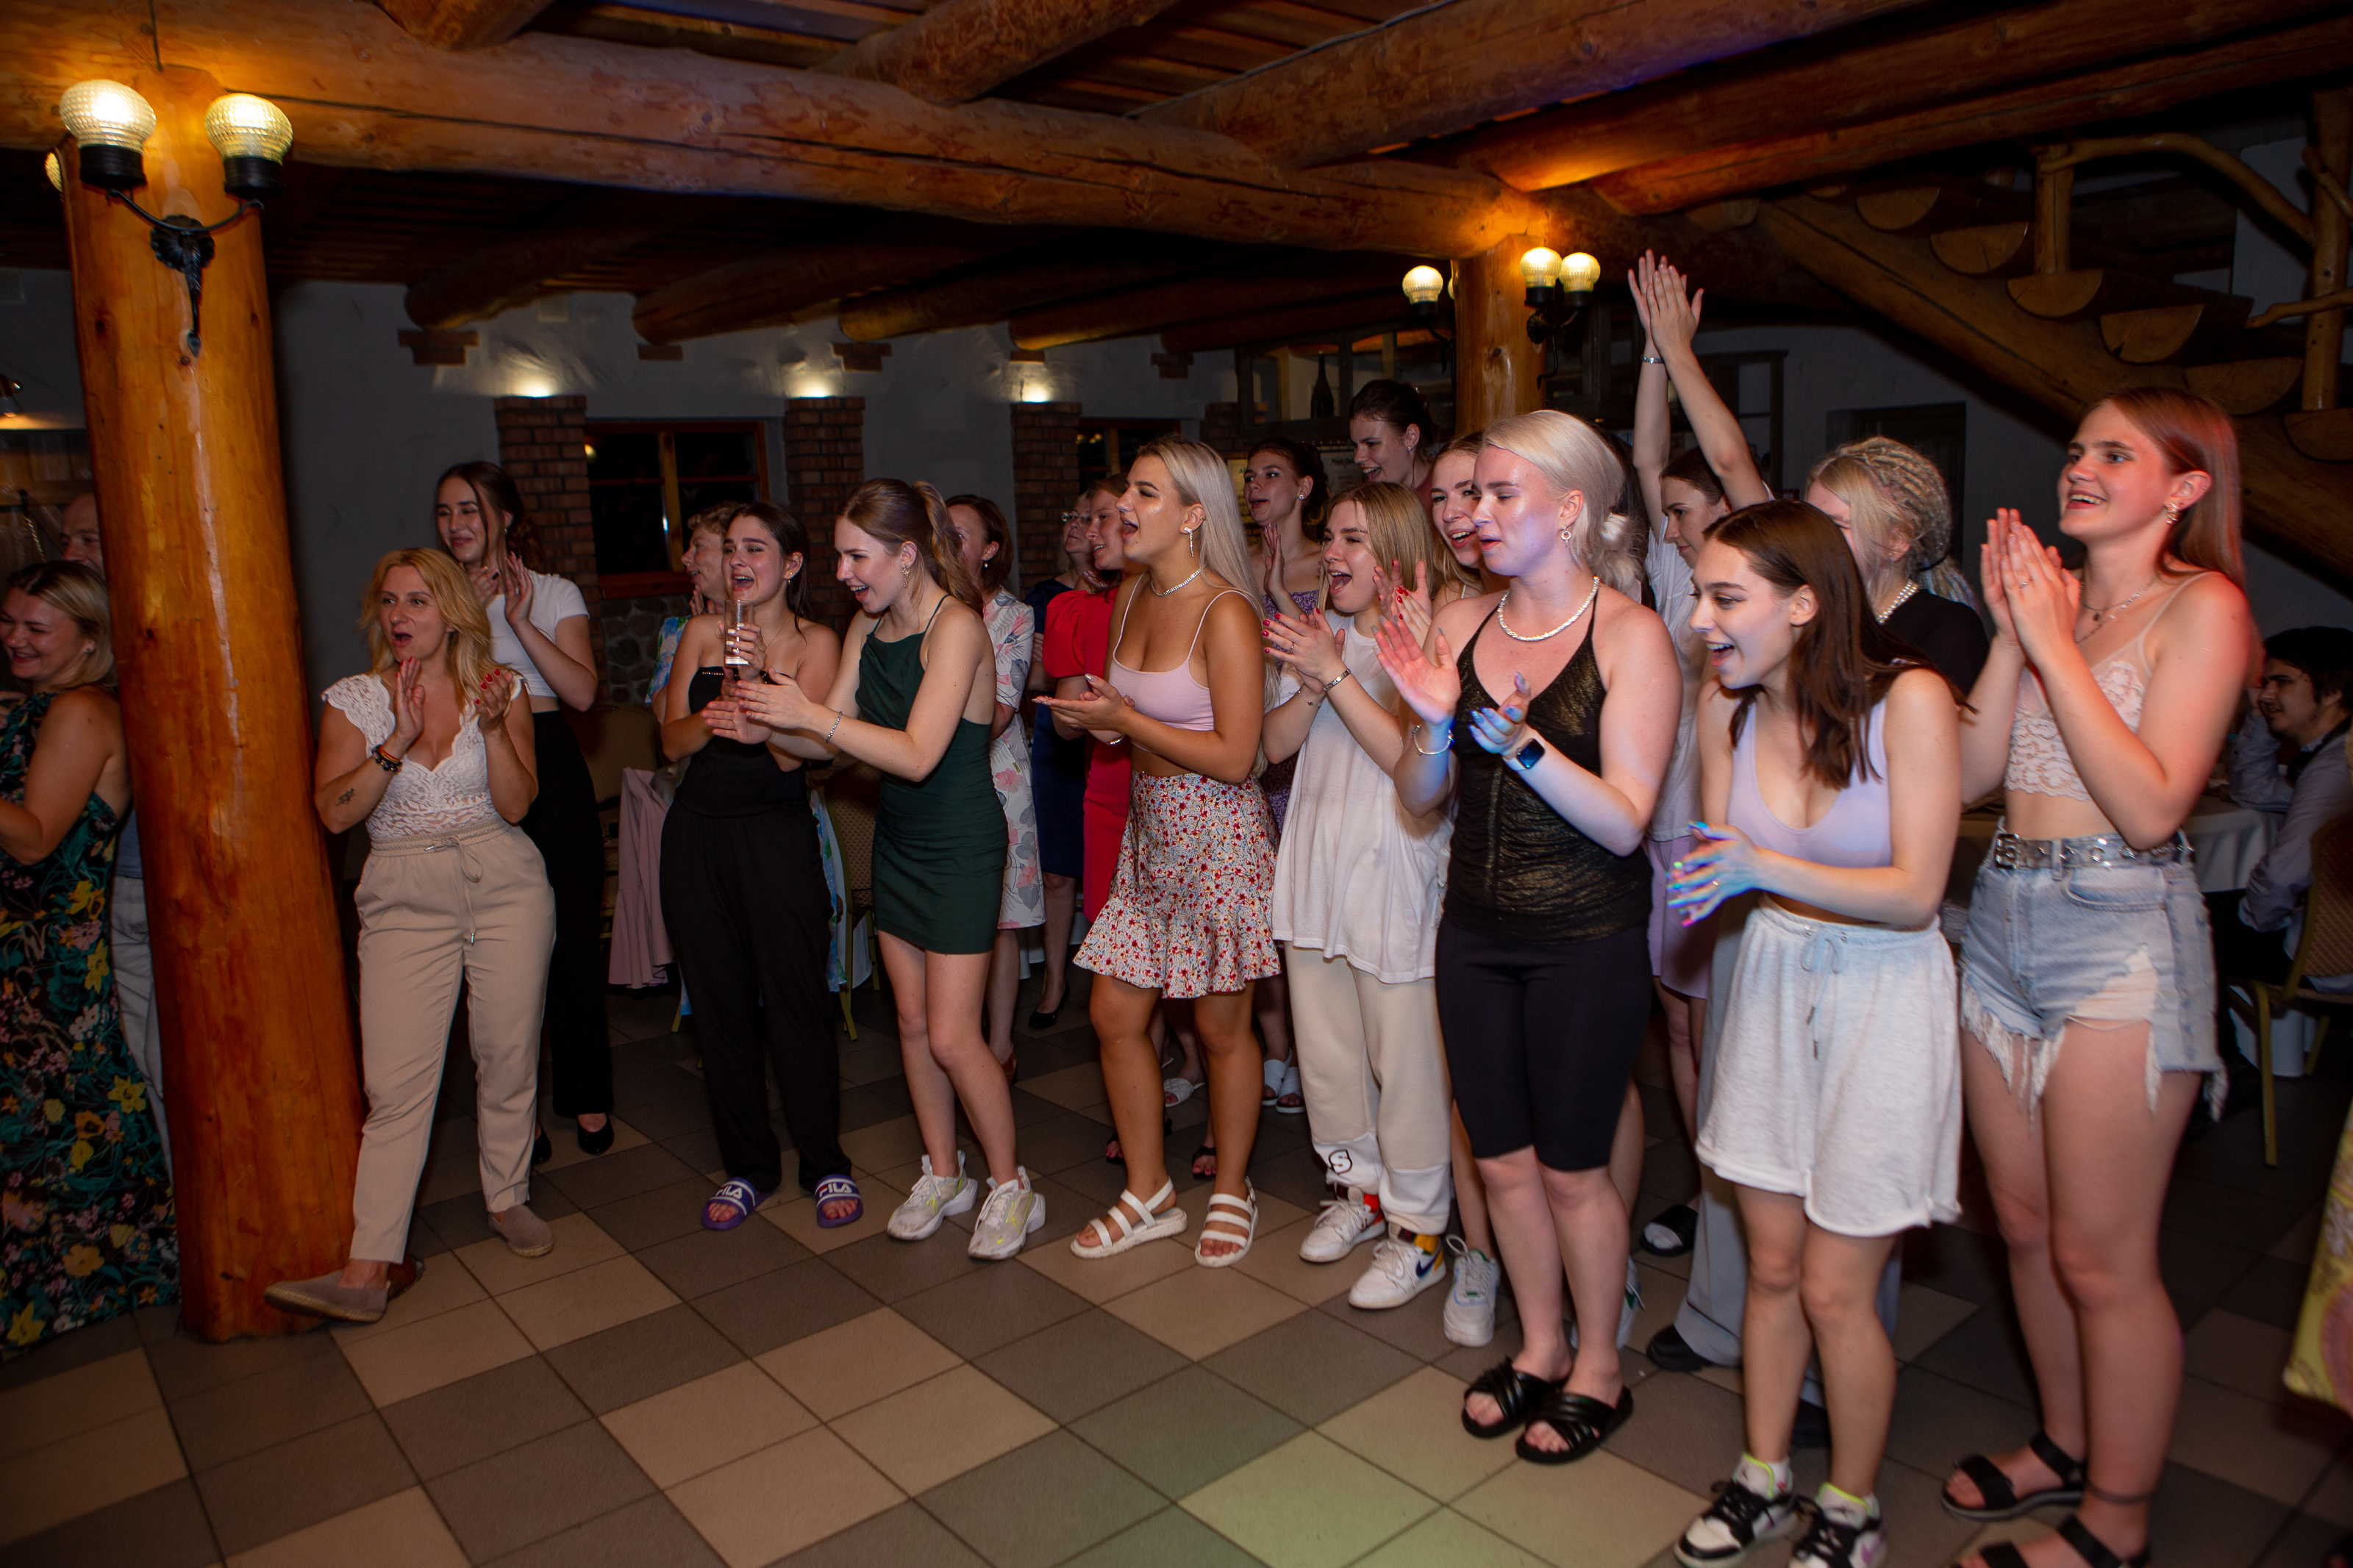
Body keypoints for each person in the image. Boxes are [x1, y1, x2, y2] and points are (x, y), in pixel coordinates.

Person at [1945, 389, 2254, 1568]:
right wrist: (2012, 634)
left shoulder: (2204, 606)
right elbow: (1970, 774)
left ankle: (2117, 1524)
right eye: (2078, 449)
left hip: (2120, 929)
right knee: (2023, 1226)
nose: (2080, 466)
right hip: (2004, 910)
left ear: (2185, 488)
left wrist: (2054, 643)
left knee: (2101, 1257)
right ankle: (2068, 1443)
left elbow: (2151, 803)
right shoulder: (2052, 604)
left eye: (2116, 454)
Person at [1663, 501, 1964, 1568]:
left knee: (1839, 1288)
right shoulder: (1724, 706)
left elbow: (1917, 892)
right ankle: (1761, 1476)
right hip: (1772, 976)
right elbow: (1716, 863)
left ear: (1802, 604)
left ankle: (1851, 1506)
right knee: (1773, 1268)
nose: (1699, 619)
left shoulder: (1911, 699)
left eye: (1724, 597)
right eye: (1699, 595)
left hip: (1885, 993)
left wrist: (1758, 867)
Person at [1376, 409, 1678, 1461]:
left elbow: (1626, 820)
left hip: (1585, 937)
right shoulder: (1459, 621)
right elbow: (1420, 794)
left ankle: (1600, 1365)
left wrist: (1522, 744)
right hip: (1475, 931)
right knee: (1501, 1164)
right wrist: (1430, 721)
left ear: (1572, 508)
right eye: (1476, 494)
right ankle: (1540, 1347)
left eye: (1505, 495)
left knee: (1571, 1171)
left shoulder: (1631, 635)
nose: (1480, 513)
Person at [735, 479, 1039, 1259]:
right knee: (909, 1022)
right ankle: (945, 1172)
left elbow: (916, 753)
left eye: (855, 556)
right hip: (901, 841)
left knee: (953, 1034)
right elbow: (823, 746)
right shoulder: (869, 626)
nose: (841, 573)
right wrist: (769, 713)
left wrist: (812, 716)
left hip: (962, 845)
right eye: (839, 557)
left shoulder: (958, 627)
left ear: (907, 555)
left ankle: (1012, 1186)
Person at [267, 549, 552, 1322]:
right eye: (389, 601)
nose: (399, 616)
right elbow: (334, 814)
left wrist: (492, 730)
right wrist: (395, 739)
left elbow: (518, 805)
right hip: (402, 891)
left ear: (453, 613)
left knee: (507, 1051)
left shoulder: (501, 689)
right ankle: (368, 1266)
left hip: (504, 879)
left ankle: (508, 1195)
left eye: (418, 601)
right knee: (394, 1084)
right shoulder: (355, 700)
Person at [1045, 437, 1277, 1267]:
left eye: (1145, 493)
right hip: (1150, 831)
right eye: (1126, 492)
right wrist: (1096, 719)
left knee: (1219, 1026)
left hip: (1218, 832)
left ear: (1192, 515)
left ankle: (1232, 1187)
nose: (1123, 507)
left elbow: (1238, 757)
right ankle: (1148, 1189)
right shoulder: (1133, 592)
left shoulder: (1226, 612)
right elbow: (1126, 714)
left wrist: (1126, 722)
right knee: (1114, 1014)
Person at [1263, 482, 1456, 1308]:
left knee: (1402, 1057)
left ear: (1396, 555)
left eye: (1353, 540)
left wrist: (1335, 671)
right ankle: (1356, 1190)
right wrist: (1312, 678)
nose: (1331, 555)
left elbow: (1414, 771)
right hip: (1317, 856)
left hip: (1391, 861)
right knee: (1330, 1051)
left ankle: (1420, 1229)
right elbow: (1272, 747)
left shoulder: (1427, 642)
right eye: (1331, 538)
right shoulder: (1320, 636)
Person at [1628, 251, 1773, 1267]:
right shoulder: (1674, 569)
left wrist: (1681, 352)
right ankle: (1703, 1187)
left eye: (1685, 512)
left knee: (1721, 1030)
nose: (1670, 525)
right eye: (1671, 516)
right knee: (1678, 1031)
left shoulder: (1753, 570)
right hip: (1663, 825)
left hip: (1720, 838)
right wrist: (1651, 351)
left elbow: (1724, 463)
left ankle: (1734, 1204)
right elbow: (1647, 462)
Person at [657, 504, 856, 1233]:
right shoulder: (699, 634)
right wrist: (718, 706)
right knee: (720, 1008)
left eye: (756, 549)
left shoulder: (816, 643)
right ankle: (748, 1166)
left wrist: (756, 681)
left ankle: (825, 1160)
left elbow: (800, 757)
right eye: (731, 549)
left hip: (775, 836)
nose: (739, 562)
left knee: (798, 1002)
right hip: (696, 836)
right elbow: (672, 742)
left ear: (792, 563)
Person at [1, 561, 176, 1350]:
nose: (16, 638)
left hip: (46, 956)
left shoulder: (80, 710)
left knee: (62, 1112)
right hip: (27, 946)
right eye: (9, 622)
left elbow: (36, 838)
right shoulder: (41, 705)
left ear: (89, 640)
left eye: (37, 628)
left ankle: (104, 1270)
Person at [434, 463, 611, 1156]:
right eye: (445, 511)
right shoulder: (434, 597)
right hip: (476, 761)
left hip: (551, 755)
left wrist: (516, 619)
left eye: (469, 509)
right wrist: (466, 616)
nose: (456, 524)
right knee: (499, 946)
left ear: (505, 517)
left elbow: (583, 693)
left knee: (571, 929)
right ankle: (518, 1115)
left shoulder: (554, 590)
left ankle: (588, 1094)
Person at [51, 498, 171, 1170]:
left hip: (165, 888)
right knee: (139, 1067)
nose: (73, 553)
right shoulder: (68, 663)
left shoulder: (158, 642)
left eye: (90, 538)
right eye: (67, 538)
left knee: (172, 1066)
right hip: (103, 892)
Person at [943, 494, 1045, 1077]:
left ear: (990, 549)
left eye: (960, 534)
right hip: (937, 781)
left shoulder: (1013, 616)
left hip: (998, 779)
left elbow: (1002, 710)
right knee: (954, 919)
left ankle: (1000, 1044)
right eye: (942, 531)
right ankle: (957, 1037)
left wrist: (929, 731)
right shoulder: (927, 608)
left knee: (1001, 919)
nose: (948, 541)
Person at [1243, 436, 1325, 1111]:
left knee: (1307, 908)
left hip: (1315, 739)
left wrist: (1276, 592)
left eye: (1272, 474)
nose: (1256, 485)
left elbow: (1329, 655)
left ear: (1304, 487)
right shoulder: (1238, 564)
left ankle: (1313, 1050)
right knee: (1267, 912)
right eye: (1250, 476)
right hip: (1257, 742)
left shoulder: (1330, 561)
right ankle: (1276, 1051)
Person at [2215, 628, 2353, 997]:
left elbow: (2283, 874)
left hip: (2331, 955)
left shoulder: (2335, 768)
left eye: (2283, 682)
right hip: (2339, 939)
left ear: (2334, 691)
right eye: (2265, 683)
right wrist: (2264, 712)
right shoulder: (2339, 751)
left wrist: (2252, 925)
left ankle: (2214, 1036)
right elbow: (2254, 790)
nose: (2266, 693)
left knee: (2183, 924)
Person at [1807, 437, 1990, 689]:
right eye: (1809, 523)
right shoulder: (1804, 614)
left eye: (1836, 526)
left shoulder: (1947, 628)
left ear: (1896, 541)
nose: (1813, 538)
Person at [1022, 497, 1102, 1029]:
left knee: (1109, 871)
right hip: (1058, 740)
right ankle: (1055, 981)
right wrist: (1048, 672)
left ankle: (1113, 980)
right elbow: (1033, 683)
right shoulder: (1044, 597)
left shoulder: (1128, 592)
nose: (1076, 526)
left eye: (1087, 517)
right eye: (1070, 517)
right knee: (1056, 873)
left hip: (1111, 743)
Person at [649, 504, 732, 709]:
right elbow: (661, 713)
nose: (685, 558)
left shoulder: (766, 623)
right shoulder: (677, 629)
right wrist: (696, 643)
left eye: (699, 546)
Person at [1351, 380, 1439, 509]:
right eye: (1355, 446)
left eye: (1371, 444)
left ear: (1410, 437)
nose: (1357, 458)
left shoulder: (1448, 488)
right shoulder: (1368, 503)